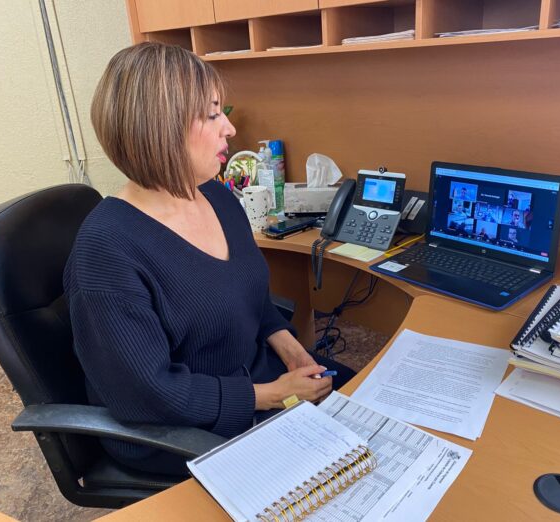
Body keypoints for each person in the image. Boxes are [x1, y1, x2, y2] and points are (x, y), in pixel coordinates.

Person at [63, 42, 354, 476]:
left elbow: (251, 298)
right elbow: (149, 392)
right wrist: (272, 394)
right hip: (181, 427)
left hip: (254, 379)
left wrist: (292, 351)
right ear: (161, 128)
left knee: (369, 406)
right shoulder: (106, 250)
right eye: (213, 114)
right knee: (341, 472)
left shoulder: (217, 196)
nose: (229, 128)